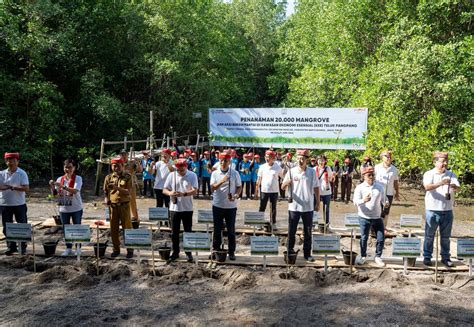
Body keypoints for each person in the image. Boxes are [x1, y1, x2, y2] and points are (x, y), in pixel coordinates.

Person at [281, 149, 320, 262]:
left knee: (308, 232)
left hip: (308, 207)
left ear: (307, 160)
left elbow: (316, 188)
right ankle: (290, 251)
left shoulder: (312, 172)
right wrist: (287, 183)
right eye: (298, 159)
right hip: (294, 207)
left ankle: (307, 254)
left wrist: (318, 202)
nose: (300, 161)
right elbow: (282, 186)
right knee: (291, 231)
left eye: (303, 159)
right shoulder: (291, 171)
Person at [422, 151, 460, 267]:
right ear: (435, 162)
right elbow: (427, 187)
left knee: (445, 237)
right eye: (442, 161)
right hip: (432, 209)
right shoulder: (429, 174)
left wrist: (454, 186)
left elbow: (458, 188)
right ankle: (427, 257)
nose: (445, 164)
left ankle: (445, 257)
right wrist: (441, 183)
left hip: (447, 210)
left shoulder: (451, 174)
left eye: (446, 161)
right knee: (429, 236)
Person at [163, 159, 198, 262]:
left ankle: (188, 252)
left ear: (186, 166)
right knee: (174, 232)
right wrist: (170, 193)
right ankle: (175, 252)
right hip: (174, 208)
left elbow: (195, 190)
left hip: (187, 208)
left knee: (188, 231)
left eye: (182, 169)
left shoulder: (192, 175)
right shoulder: (171, 175)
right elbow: (164, 189)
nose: (181, 171)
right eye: (178, 169)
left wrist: (184, 194)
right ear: (176, 168)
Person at [211, 151, 242, 261]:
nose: (223, 162)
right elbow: (213, 187)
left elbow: (239, 187)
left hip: (231, 207)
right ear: (219, 161)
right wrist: (222, 180)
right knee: (217, 229)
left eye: (226, 161)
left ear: (229, 162)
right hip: (217, 205)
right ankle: (215, 250)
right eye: (221, 160)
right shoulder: (215, 173)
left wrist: (236, 195)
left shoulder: (235, 173)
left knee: (231, 230)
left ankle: (232, 252)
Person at [353, 166, 386, 267]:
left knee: (381, 237)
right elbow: (355, 202)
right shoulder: (359, 188)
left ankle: (378, 256)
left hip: (377, 217)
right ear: (363, 176)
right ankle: (363, 256)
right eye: (369, 175)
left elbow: (383, 199)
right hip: (364, 217)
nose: (371, 177)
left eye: (373, 175)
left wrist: (386, 203)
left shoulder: (380, 187)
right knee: (364, 238)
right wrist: (363, 200)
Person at [49, 159, 83, 256]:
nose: (67, 169)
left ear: (74, 168)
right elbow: (55, 194)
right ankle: (68, 248)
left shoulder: (78, 178)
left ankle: (78, 247)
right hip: (63, 208)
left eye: (70, 167)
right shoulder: (60, 179)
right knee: (66, 228)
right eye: (65, 167)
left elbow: (75, 191)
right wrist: (52, 186)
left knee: (77, 228)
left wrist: (63, 187)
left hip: (76, 208)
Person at [103, 157, 134, 258]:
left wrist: (116, 188)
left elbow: (128, 192)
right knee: (114, 229)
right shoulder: (108, 177)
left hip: (124, 206)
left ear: (122, 166)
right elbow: (105, 191)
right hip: (113, 206)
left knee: (127, 228)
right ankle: (116, 249)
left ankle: (130, 250)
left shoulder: (128, 177)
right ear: (111, 166)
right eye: (114, 166)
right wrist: (106, 199)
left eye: (118, 166)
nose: (116, 168)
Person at [0, 152, 29, 255]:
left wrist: (12, 187)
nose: (11, 162)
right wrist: (9, 187)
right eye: (9, 160)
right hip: (4, 204)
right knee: (7, 226)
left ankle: (23, 247)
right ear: (6, 161)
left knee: (22, 225)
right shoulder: (1, 173)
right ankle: (11, 247)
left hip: (19, 204)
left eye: (13, 161)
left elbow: (26, 188)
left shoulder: (22, 173)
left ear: (17, 162)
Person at [255, 150, 284, 231]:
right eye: (266, 157)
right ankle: (259, 224)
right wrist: (256, 191)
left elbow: (283, 177)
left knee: (273, 208)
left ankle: (273, 223)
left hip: (274, 191)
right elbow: (259, 179)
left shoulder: (278, 167)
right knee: (262, 207)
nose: (267, 159)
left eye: (269, 157)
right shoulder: (262, 167)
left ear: (273, 158)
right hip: (264, 190)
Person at [374, 150, 400, 232]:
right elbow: (372, 179)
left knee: (386, 210)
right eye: (387, 156)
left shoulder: (394, 169)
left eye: (390, 157)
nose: (389, 158)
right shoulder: (377, 167)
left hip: (389, 193)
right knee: (377, 210)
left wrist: (397, 193)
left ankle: (383, 227)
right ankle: (374, 228)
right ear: (382, 157)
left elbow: (396, 182)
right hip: (378, 192)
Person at [120, 149, 143, 228]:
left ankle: (135, 218)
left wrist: (137, 163)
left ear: (127, 154)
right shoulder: (119, 164)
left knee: (132, 202)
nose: (123, 156)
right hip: (121, 185)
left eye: (125, 154)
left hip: (131, 185)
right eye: (122, 154)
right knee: (122, 202)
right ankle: (123, 218)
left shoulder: (131, 163)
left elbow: (140, 170)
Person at [315, 155, 333, 227]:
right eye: (319, 160)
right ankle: (314, 224)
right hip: (316, 192)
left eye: (322, 160)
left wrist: (329, 178)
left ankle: (326, 225)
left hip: (326, 192)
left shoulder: (328, 168)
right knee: (315, 208)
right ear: (317, 161)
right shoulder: (314, 169)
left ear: (325, 161)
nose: (321, 162)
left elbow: (331, 178)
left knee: (326, 209)